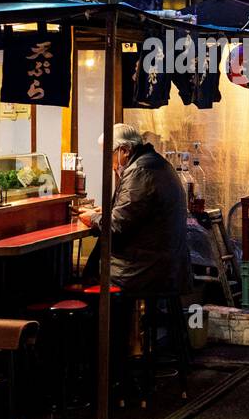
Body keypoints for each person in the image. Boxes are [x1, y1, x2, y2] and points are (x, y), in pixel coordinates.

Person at [78, 123, 192, 294]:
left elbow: (116, 226)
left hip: (142, 270)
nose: (111, 164)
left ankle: (108, 320)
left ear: (124, 150)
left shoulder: (139, 171)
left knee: (86, 275)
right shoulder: (156, 163)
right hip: (166, 264)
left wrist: (92, 218)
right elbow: (138, 210)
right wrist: (109, 210)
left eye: (110, 155)